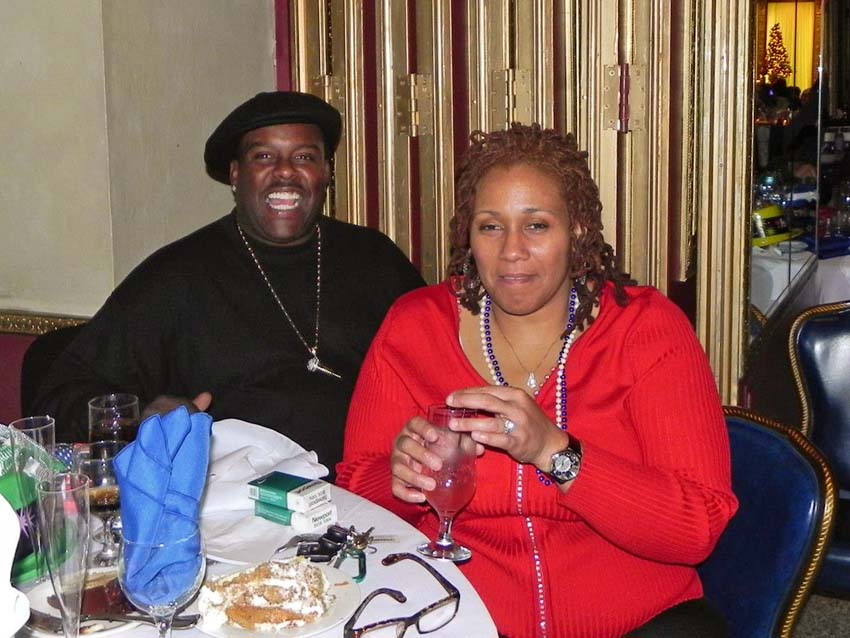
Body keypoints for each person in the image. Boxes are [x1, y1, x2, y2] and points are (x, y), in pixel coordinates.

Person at [337, 124, 738, 637]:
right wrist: (400, 479)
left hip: (639, 620)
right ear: (468, 237)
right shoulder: (414, 327)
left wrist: (556, 451)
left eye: (536, 225)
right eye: (490, 226)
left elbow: (698, 526)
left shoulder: (646, 331)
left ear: (577, 231)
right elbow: (351, 501)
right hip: (462, 616)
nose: (512, 250)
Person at [31, 91, 424, 474]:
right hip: (241, 499)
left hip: (374, 485)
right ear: (235, 174)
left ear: (326, 173)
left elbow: (438, 359)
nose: (285, 171)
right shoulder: (177, 276)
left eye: (304, 157)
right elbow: (60, 394)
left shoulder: (375, 259)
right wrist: (144, 420)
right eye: (264, 156)